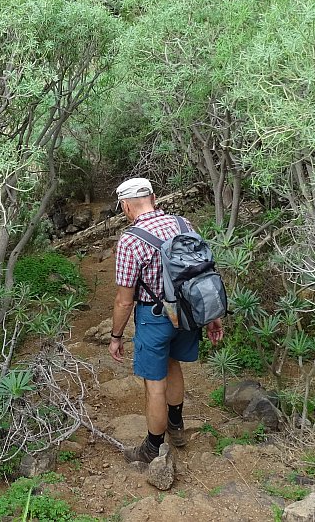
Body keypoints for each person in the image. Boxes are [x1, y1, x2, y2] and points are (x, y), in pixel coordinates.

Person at [108, 177, 224, 463]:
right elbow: (200, 273)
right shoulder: (183, 224)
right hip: (187, 313)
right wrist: (211, 316)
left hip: (154, 317)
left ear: (125, 206)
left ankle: (152, 447)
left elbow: (125, 299)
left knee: (153, 382)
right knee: (173, 365)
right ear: (154, 198)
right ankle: (176, 425)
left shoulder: (131, 240)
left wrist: (116, 335)